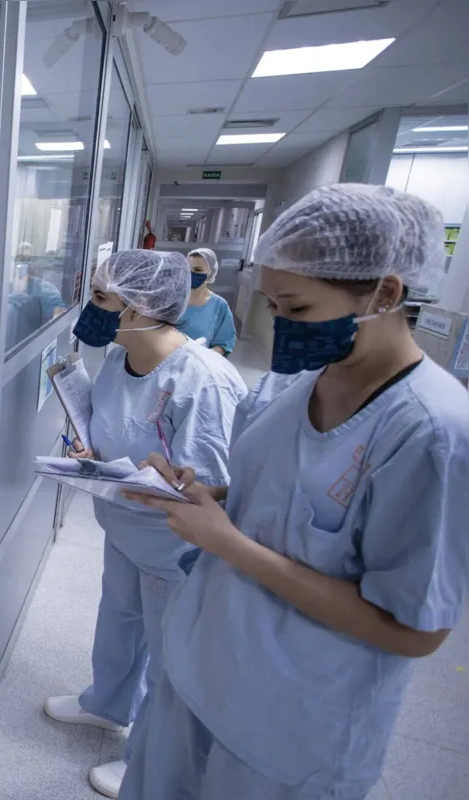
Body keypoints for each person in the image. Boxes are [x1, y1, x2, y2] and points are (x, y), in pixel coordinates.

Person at [121, 184, 469, 800]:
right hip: (206, 664)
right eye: (273, 306)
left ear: (386, 293)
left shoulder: (431, 432)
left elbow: (415, 630)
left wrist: (226, 544)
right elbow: (280, 498)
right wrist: (209, 495)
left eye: (298, 309)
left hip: (293, 722)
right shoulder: (291, 388)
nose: (280, 326)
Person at [47, 249, 247, 798]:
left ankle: (147, 764)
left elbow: (210, 487)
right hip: (124, 522)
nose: (92, 310)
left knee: (168, 654)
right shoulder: (120, 356)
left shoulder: (202, 381)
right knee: (119, 620)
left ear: (138, 309)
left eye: (102, 299)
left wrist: (148, 478)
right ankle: (107, 704)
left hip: (173, 544)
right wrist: (93, 449)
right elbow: (115, 424)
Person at [175, 248, 236, 355]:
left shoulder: (219, 305)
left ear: (211, 273)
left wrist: (202, 359)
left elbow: (224, 343)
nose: (191, 274)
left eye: (198, 270)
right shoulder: (172, 298)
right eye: (187, 269)